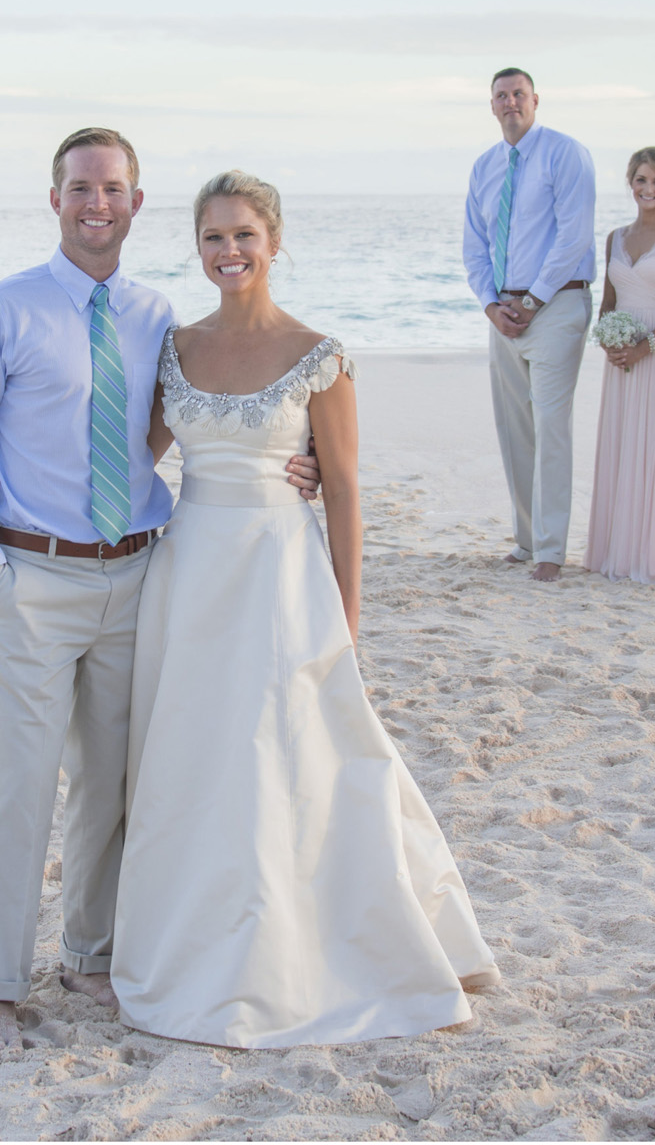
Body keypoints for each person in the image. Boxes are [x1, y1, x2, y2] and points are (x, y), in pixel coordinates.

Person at [0, 129, 320, 1053]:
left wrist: (287, 462)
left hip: (140, 575)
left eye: (112, 188)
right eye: (78, 188)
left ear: (137, 202)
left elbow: (203, 416)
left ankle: (90, 956)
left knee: (109, 787)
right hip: (33, 578)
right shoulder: (1, 310)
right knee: (18, 789)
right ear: (55, 198)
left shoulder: (158, 318)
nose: (95, 203)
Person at [114, 171, 497, 1046]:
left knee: (290, 757)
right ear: (197, 247)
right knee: (195, 762)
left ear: (275, 242)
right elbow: (136, 457)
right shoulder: (176, 348)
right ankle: (196, 941)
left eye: (245, 234)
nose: (230, 252)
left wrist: (347, 617)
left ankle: (307, 948)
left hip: (281, 576)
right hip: (189, 576)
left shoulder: (319, 352)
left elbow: (348, 492)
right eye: (214, 237)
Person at [461, 67, 595, 582]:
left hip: (556, 305)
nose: (510, 102)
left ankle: (551, 551)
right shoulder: (484, 167)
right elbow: (475, 244)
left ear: (536, 100)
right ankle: (525, 537)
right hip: (504, 312)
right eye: (501, 96)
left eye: (519, 94)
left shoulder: (566, 154)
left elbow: (574, 235)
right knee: (514, 429)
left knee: (551, 428)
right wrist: (491, 306)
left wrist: (535, 300)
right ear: (491, 106)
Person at [583, 148, 655, 583]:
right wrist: (608, 340)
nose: (648, 189)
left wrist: (644, 346)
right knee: (624, 445)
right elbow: (609, 301)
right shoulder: (615, 237)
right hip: (623, 360)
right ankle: (620, 549)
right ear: (630, 183)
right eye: (640, 180)